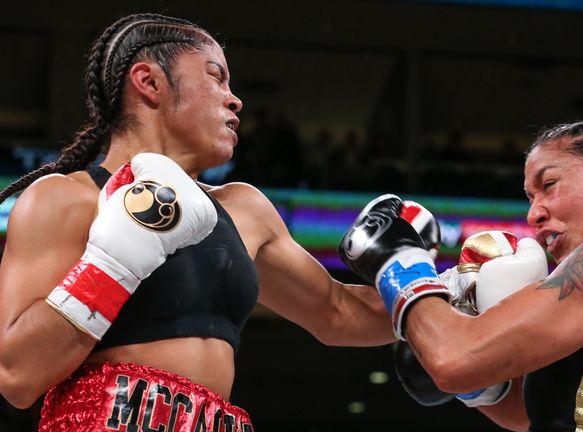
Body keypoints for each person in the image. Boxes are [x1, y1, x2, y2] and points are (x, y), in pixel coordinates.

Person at [0, 13, 407, 431]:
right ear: (150, 82)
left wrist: (438, 291)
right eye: (217, 77)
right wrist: (113, 262)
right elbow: (17, 375)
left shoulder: (245, 210)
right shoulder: (64, 199)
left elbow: (338, 311)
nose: (235, 100)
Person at [340, 118, 583, 431]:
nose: (534, 214)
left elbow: (453, 360)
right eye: (530, 196)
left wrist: (400, 260)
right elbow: (531, 415)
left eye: (549, 185)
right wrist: (479, 390)